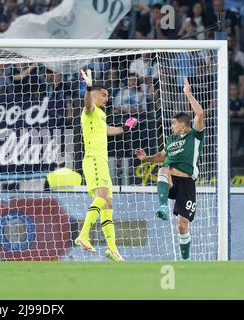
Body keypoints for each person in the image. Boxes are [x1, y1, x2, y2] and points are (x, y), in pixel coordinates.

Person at [135, 78, 204, 261]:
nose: (172, 126)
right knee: (163, 169)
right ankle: (163, 206)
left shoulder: (194, 136)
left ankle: (186, 260)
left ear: (183, 124)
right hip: (172, 179)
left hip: (187, 182)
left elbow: (200, 114)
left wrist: (187, 93)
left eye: (174, 124)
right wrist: (146, 158)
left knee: (182, 225)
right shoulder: (171, 141)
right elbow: (162, 156)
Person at [75, 69, 137, 262]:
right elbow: (87, 105)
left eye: (108, 96)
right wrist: (88, 89)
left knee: (108, 204)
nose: (107, 98)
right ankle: (83, 235)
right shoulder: (90, 109)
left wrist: (124, 128)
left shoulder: (100, 115)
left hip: (101, 161)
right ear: (94, 94)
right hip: (93, 159)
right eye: (104, 95)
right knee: (101, 198)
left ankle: (112, 248)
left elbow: (107, 131)